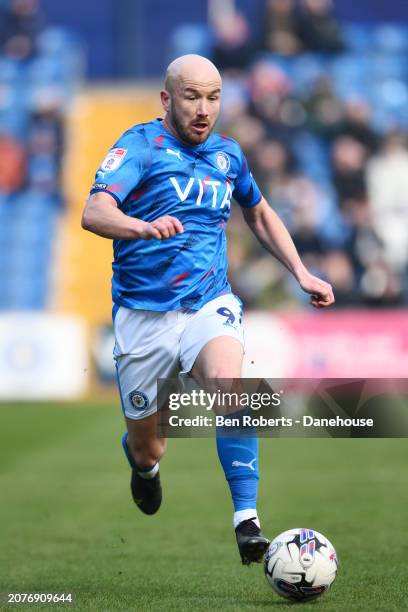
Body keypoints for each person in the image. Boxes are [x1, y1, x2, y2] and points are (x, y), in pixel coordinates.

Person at [81, 54, 334, 565]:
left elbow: (258, 211)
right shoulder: (139, 147)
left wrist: (301, 272)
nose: (204, 109)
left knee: (230, 388)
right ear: (166, 98)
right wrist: (141, 226)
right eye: (192, 96)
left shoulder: (228, 155)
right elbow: (95, 211)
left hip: (209, 302)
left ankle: (247, 522)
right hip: (143, 316)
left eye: (214, 98)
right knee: (150, 448)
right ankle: (143, 464)